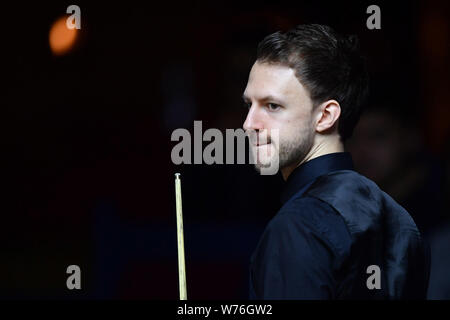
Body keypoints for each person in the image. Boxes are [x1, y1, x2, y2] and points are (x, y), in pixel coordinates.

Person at [242, 24, 430, 299]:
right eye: (249, 105)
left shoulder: (298, 224)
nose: (249, 124)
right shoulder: (400, 220)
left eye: (272, 106)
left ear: (326, 116)